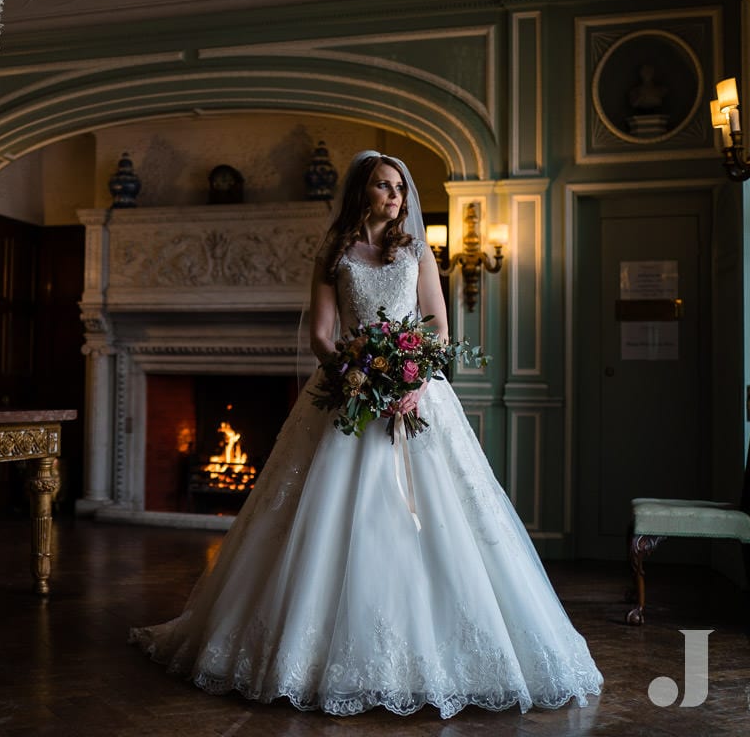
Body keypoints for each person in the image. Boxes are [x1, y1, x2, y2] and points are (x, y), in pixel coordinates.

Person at [130, 150, 603, 718]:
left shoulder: (417, 252)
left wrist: (411, 380)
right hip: (348, 397)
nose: (395, 196)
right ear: (362, 192)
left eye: (400, 188)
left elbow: (438, 327)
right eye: (384, 186)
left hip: (416, 393)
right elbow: (323, 336)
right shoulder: (334, 254)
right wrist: (354, 374)